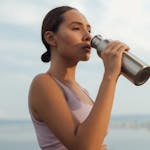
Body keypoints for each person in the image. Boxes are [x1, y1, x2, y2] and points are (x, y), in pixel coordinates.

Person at [28, 6, 129, 150]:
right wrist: (110, 76)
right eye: (76, 28)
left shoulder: (82, 90)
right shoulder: (43, 83)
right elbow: (85, 146)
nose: (88, 36)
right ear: (51, 38)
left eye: (89, 30)